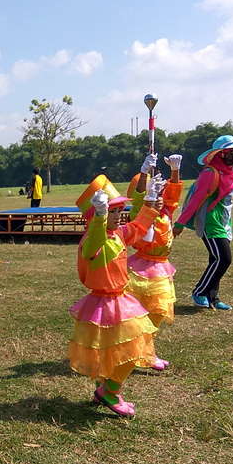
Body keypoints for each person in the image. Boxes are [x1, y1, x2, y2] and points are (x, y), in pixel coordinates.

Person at [69, 175, 162, 417]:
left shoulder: (118, 235)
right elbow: (95, 241)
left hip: (121, 301)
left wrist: (151, 199)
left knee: (132, 348)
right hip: (104, 305)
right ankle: (109, 390)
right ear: (96, 215)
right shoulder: (90, 242)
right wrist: (100, 218)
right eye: (113, 210)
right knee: (122, 351)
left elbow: (140, 225)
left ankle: (110, 388)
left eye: (120, 209)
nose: (118, 215)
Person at [174, 135, 233, 310]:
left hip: (224, 222)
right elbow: (195, 200)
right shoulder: (209, 173)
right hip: (210, 222)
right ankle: (199, 291)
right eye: (230, 152)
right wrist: (180, 223)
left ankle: (213, 297)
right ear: (220, 153)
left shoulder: (230, 173)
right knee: (224, 259)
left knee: (216, 259)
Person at [125, 153, 184, 371]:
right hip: (139, 268)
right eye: (155, 191)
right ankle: (136, 351)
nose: (159, 195)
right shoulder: (140, 214)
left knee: (158, 313)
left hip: (161, 268)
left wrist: (175, 171)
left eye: (160, 191)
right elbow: (140, 196)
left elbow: (174, 194)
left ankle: (146, 351)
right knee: (136, 315)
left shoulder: (166, 210)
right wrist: (143, 173)